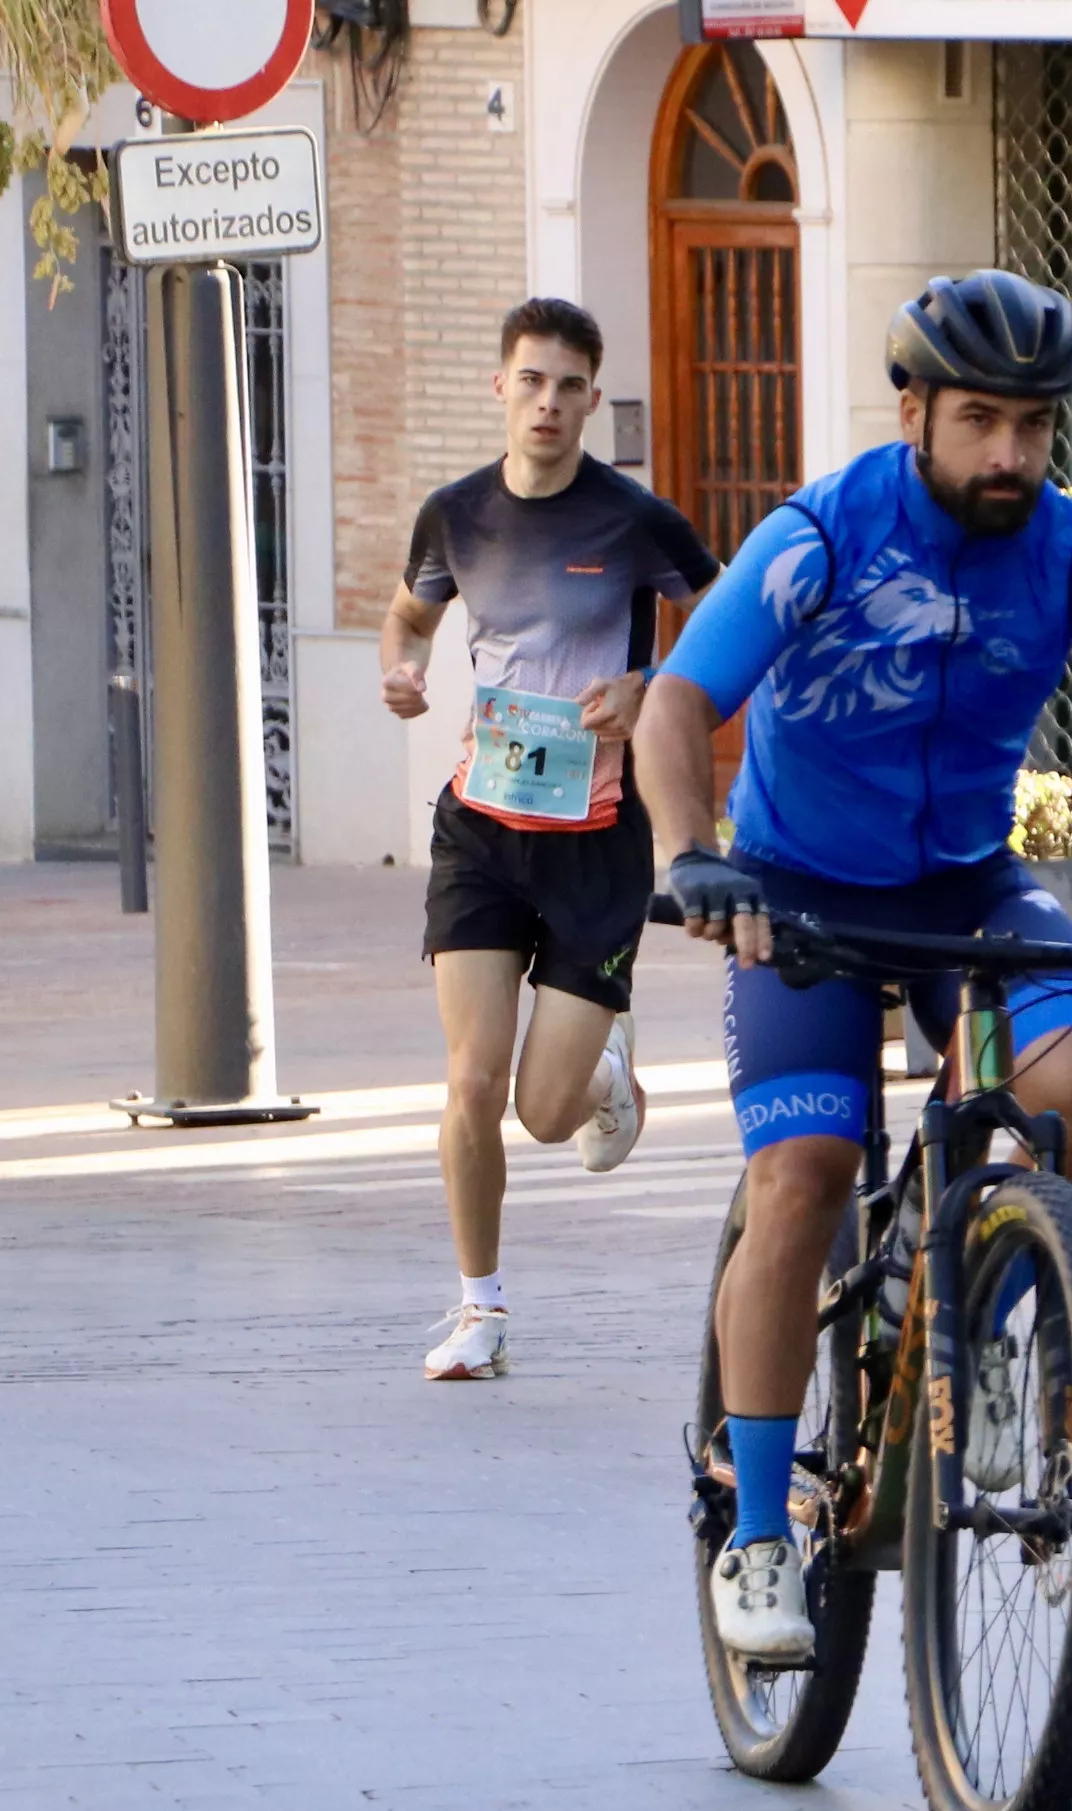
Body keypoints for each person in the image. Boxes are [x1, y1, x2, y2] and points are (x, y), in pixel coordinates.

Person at [634, 269, 1072, 1663]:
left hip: (968, 882)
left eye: (1034, 426)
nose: (1010, 454)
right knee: (802, 1179)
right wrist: (694, 853)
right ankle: (759, 1532)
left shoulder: (1069, 556)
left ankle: (991, 1331)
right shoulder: (825, 534)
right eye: (981, 420)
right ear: (917, 409)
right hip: (799, 892)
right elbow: (680, 698)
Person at [381, 295, 721, 1381]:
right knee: (472, 1081)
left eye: (570, 385)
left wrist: (651, 683)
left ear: (590, 400)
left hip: (595, 839)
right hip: (481, 825)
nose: (549, 402)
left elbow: (725, 629)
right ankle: (480, 1309)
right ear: (501, 386)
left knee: (542, 1114)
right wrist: (402, 667)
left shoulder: (632, 519)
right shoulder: (456, 515)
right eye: (531, 379)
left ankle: (603, 1071)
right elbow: (409, 614)